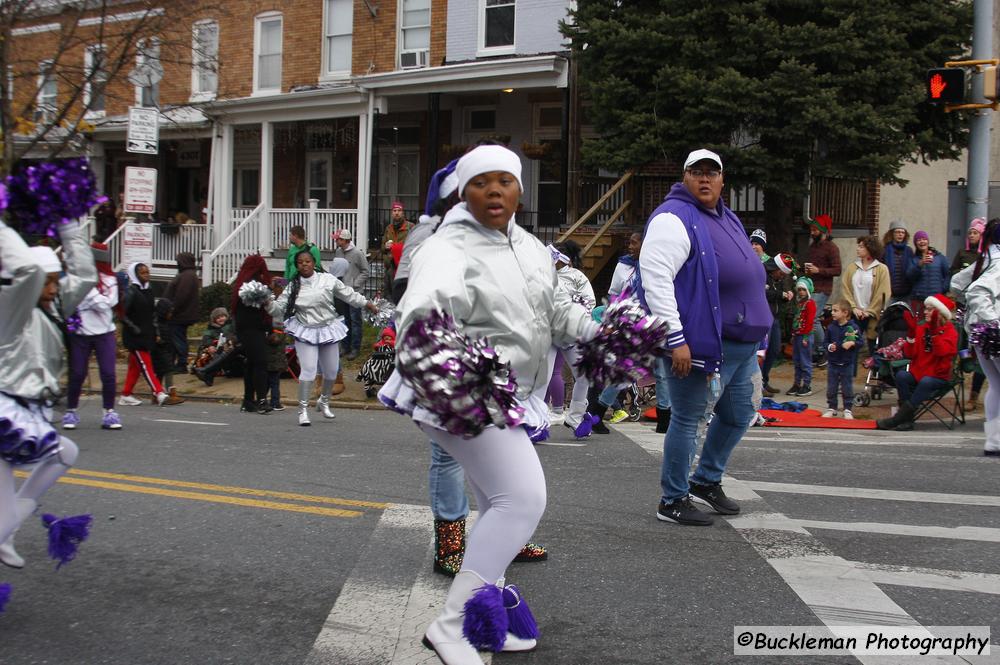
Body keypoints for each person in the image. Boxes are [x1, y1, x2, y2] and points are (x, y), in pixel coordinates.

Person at [380, 144, 597, 662]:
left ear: (520, 189)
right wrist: (456, 377)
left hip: (509, 393)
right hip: (462, 391)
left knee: (496, 503)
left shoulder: (528, 247)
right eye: (482, 182)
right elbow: (422, 316)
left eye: (505, 180)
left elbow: (554, 312)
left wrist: (605, 334)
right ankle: (453, 625)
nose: (495, 190)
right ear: (464, 191)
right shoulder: (447, 247)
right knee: (522, 499)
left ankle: (489, 619)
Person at [639, 148, 772, 527]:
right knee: (688, 419)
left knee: (739, 414)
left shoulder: (724, 215)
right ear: (684, 177)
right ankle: (673, 499)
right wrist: (675, 339)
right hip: (700, 344)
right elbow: (656, 281)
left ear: (722, 179)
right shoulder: (673, 217)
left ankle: (706, 480)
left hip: (741, 347)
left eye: (711, 173)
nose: (704, 179)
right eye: (696, 172)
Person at [0, 216, 95, 569]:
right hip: (8, 410)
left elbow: (84, 275)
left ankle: (7, 531)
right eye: (49, 282)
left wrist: (69, 226)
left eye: (57, 281)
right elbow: (24, 272)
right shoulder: (11, 308)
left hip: (32, 413)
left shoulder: (53, 307)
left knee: (62, 455)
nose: (56, 288)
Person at [267, 250, 376, 426]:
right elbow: (278, 309)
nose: (304, 264)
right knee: (309, 371)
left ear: (314, 263)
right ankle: (302, 410)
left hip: (327, 328)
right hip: (305, 330)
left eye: (307, 261)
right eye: (300, 262)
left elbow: (348, 294)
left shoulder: (327, 279)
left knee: (332, 372)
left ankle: (323, 401)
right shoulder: (293, 286)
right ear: (297, 266)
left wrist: (366, 303)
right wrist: (268, 303)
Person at [951, 219, 1000, 455]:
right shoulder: (998, 262)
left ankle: (993, 441)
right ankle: (995, 440)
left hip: (980, 334)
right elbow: (977, 291)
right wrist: (992, 321)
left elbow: (957, 284)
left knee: (997, 385)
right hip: (993, 332)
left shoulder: (985, 259)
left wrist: (974, 316)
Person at [63, 242, 123, 430]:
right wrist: (92, 297)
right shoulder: (77, 278)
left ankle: (109, 412)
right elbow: (70, 300)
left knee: (108, 374)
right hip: (80, 332)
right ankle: (71, 410)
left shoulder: (110, 279)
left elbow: (108, 304)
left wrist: (88, 295)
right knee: (77, 373)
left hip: (104, 332)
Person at [876, 294, 958, 432]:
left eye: (930, 309)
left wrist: (934, 334)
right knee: (902, 375)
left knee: (926, 381)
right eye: (925, 309)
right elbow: (910, 354)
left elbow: (942, 353)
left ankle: (898, 418)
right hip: (919, 372)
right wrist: (911, 335)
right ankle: (907, 420)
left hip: (939, 376)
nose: (925, 312)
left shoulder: (950, 331)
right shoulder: (922, 328)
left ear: (940, 313)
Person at [545, 242, 597, 435]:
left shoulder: (577, 277)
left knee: (584, 375)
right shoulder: (541, 275)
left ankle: (576, 417)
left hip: (570, 334)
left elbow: (589, 303)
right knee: (543, 377)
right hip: (546, 335)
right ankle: (537, 421)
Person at [950, 218, 989, 411]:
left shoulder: (987, 256)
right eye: (970, 232)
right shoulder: (963, 253)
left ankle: (974, 395)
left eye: (976, 232)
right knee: (963, 343)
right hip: (964, 306)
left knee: (983, 353)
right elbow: (954, 277)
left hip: (984, 310)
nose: (972, 235)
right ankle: (964, 362)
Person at [119, 262, 169, 407]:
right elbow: (122, 314)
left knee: (135, 366)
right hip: (134, 336)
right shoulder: (130, 292)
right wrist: (133, 328)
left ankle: (126, 394)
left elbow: (152, 314)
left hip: (147, 334)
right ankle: (158, 392)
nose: (146, 275)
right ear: (135, 275)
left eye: (147, 272)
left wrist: (156, 331)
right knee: (146, 365)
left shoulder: (149, 291)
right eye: (143, 273)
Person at [232, 255, 273, 414]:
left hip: (244, 329)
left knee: (251, 364)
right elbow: (264, 305)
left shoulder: (241, 283)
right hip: (253, 329)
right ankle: (262, 400)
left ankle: (248, 400)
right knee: (260, 363)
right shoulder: (251, 286)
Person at [841, 235, 891, 358]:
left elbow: (883, 292)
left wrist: (870, 311)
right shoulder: (852, 268)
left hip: (872, 315)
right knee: (850, 345)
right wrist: (853, 307)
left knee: (873, 346)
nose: (858, 249)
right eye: (858, 246)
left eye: (861, 246)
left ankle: (873, 373)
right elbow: (845, 288)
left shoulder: (881, 269)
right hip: (854, 313)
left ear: (870, 248)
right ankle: (849, 374)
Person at [802, 213, 841, 367]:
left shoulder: (832, 248)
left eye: (815, 230)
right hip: (812, 286)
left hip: (823, 288)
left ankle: (822, 349)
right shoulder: (813, 247)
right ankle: (817, 350)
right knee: (810, 319)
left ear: (823, 231)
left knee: (813, 319)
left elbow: (837, 270)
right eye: (811, 230)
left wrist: (819, 271)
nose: (812, 232)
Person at [761, 252, 796, 396]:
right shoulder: (763, 274)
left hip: (774, 318)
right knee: (762, 351)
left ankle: (765, 379)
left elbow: (776, 294)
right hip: (764, 317)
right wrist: (781, 295)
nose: (782, 277)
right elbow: (763, 293)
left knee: (774, 349)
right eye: (781, 274)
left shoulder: (777, 279)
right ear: (775, 269)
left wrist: (786, 295)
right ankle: (759, 384)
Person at [333, 229, 369, 361]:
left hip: (354, 292)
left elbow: (366, 271)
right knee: (345, 319)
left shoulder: (357, 254)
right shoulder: (338, 252)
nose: (337, 241)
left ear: (346, 240)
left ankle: (355, 348)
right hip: (342, 292)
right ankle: (345, 346)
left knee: (355, 321)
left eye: (339, 239)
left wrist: (354, 285)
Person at [823, 301, 861, 419]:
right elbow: (825, 342)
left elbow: (860, 342)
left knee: (847, 386)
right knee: (832, 386)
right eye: (832, 310)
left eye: (835, 311)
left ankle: (848, 408)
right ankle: (832, 407)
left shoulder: (853, 327)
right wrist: (830, 347)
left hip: (847, 362)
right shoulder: (830, 327)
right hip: (833, 362)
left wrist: (852, 343)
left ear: (845, 313)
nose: (832, 313)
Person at [163, 251, 200, 373]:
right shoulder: (188, 274)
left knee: (178, 339)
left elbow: (181, 296)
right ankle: (175, 363)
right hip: (181, 314)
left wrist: (172, 309)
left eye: (178, 261)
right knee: (176, 339)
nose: (177, 263)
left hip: (180, 315)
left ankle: (182, 364)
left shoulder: (187, 276)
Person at [906, 230, 950, 320]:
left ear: (928, 241)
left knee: (936, 324)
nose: (922, 242)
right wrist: (920, 264)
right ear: (915, 243)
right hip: (919, 300)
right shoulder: (913, 260)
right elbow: (909, 277)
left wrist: (942, 289)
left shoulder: (940, 257)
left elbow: (947, 275)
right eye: (919, 240)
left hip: (936, 300)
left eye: (924, 239)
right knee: (919, 325)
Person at [193, 307, 242, 386]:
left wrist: (230, 341)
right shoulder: (211, 328)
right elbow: (206, 338)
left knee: (226, 351)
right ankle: (207, 374)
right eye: (218, 318)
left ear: (226, 316)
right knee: (220, 352)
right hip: (220, 347)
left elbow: (236, 334)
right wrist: (210, 345)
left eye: (222, 316)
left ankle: (206, 372)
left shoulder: (231, 324)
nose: (221, 319)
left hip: (232, 345)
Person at [152, 298, 185, 406]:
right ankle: (170, 393)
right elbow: (158, 338)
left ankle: (156, 394)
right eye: (169, 312)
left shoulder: (165, 323)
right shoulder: (157, 324)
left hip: (166, 350)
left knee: (161, 372)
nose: (170, 314)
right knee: (168, 370)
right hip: (160, 351)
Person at [787, 276, 816, 397]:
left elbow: (809, 321)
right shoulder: (799, 303)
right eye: (799, 290)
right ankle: (797, 383)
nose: (801, 292)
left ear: (808, 290)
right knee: (797, 361)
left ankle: (807, 384)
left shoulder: (810, 304)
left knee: (805, 361)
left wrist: (805, 336)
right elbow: (796, 319)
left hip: (805, 336)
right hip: (798, 335)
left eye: (803, 289)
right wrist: (794, 334)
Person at [382, 201, 412, 298]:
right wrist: (385, 246)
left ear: (403, 213)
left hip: (403, 268)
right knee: (388, 296)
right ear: (392, 213)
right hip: (389, 268)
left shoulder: (410, 227)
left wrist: (397, 247)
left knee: (402, 296)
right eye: (394, 211)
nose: (396, 213)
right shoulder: (388, 228)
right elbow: (382, 247)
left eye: (399, 210)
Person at [882, 219, 913, 304]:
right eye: (897, 232)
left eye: (903, 232)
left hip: (906, 294)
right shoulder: (884, 250)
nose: (900, 234)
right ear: (892, 234)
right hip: (890, 294)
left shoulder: (909, 251)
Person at [265, 323, 289, 412]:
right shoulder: (282, 335)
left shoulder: (268, 336)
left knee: (268, 383)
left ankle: (263, 400)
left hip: (269, 363)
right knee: (275, 383)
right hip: (277, 364)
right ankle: (275, 403)